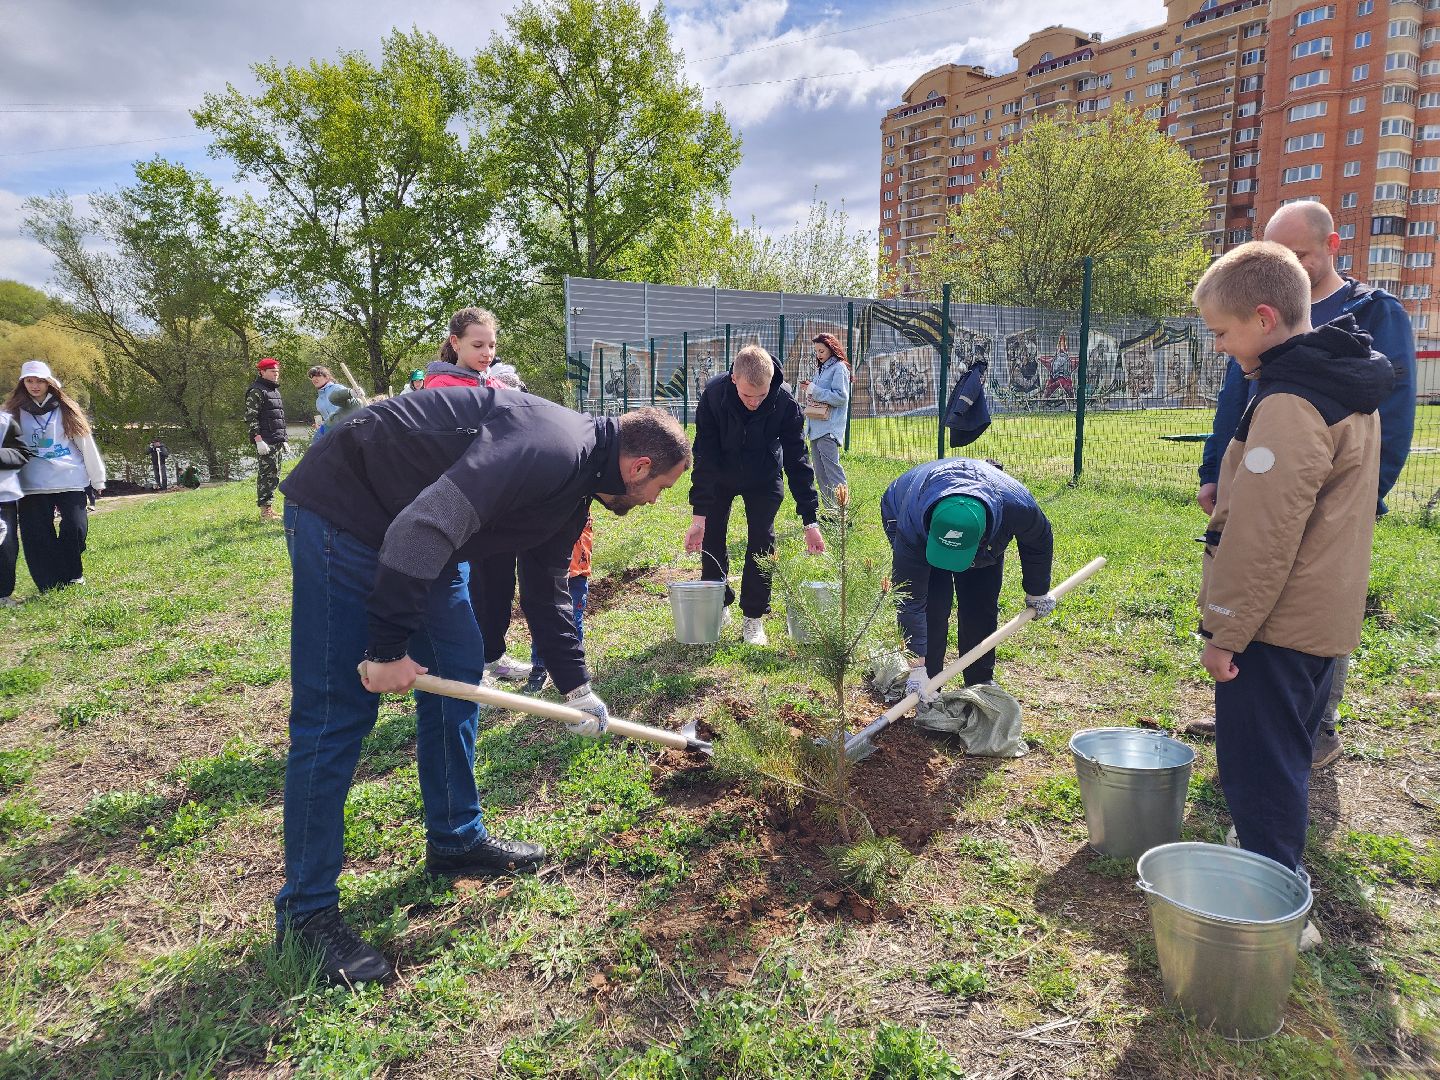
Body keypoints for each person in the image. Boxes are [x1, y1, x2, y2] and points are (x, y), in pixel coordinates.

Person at [275, 393, 690, 987]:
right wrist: (387, 648)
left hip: (419, 532)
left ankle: (455, 838)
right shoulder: (552, 450)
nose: (655, 502)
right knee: (335, 713)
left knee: (460, 668)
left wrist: (576, 688)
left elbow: (546, 590)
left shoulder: (576, 487)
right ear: (639, 467)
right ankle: (307, 912)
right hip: (350, 513)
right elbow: (422, 525)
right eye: (663, 489)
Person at [1192, 241, 1392, 896]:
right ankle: (1265, 855)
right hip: (1321, 612)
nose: (1219, 345)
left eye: (1222, 332)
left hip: (1276, 625)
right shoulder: (1339, 382)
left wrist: (1227, 631)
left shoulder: (1288, 404)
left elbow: (1265, 533)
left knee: (1260, 765)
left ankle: (1272, 899)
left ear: (1264, 318)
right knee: (1286, 756)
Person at [1192, 200, 1417, 768]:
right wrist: (1217, 469)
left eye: (1300, 253)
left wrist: (1362, 498)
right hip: (1264, 471)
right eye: (1277, 252)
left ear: (1332, 246)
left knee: (1308, 602)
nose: (1289, 262)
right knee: (1262, 586)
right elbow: (1235, 402)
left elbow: (1387, 415)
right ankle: (1252, 707)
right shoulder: (1247, 314)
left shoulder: (1372, 312)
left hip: (1327, 494)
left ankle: (1312, 725)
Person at [685, 344, 825, 647]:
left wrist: (810, 520)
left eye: (761, 396)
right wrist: (699, 515)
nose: (754, 402)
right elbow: (704, 454)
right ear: (734, 379)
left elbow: (798, 460)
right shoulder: (713, 396)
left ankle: (754, 617)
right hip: (721, 474)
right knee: (712, 536)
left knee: (762, 539)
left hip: (763, 476)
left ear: (771, 380)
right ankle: (718, 605)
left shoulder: (785, 402)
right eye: (748, 395)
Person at [881, 457, 1054, 694]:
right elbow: (911, 601)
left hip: (988, 523)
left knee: (979, 603)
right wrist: (917, 667)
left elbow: (1038, 542)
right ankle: (929, 685)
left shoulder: (1018, 506)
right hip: (906, 506)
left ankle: (979, 681)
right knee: (933, 604)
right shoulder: (911, 524)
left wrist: (1038, 590)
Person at [6, 361, 105, 592]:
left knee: (76, 528)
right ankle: (49, 583)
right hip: (31, 485)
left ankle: (72, 573)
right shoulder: (11, 412)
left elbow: (86, 444)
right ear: (23, 384)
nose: (35, 385)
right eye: (29, 381)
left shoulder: (66, 408)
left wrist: (97, 478)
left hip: (69, 479)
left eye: (40, 380)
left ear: (49, 382)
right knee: (37, 537)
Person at [525, 515, 592, 694]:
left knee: (574, 622)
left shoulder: (585, 502)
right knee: (544, 620)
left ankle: (575, 669)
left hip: (577, 573)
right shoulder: (555, 501)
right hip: (550, 573)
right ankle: (539, 667)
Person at [797, 333, 851, 513]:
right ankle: (831, 512)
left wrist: (814, 389)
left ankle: (844, 513)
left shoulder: (839, 368)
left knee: (833, 471)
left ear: (831, 349)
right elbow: (821, 393)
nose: (819, 354)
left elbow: (841, 397)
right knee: (820, 474)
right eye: (816, 351)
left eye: (822, 350)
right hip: (815, 428)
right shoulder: (822, 369)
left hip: (828, 429)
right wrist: (810, 390)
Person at [245, 358, 287, 522]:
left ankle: (269, 508)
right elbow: (251, 417)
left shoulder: (274, 391)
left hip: (276, 440)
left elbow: (278, 417)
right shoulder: (256, 391)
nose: (276, 375)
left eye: (277, 372)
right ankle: (265, 512)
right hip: (265, 441)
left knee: (274, 474)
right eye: (272, 372)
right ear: (262, 372)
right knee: (266, 476)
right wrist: (258, 439)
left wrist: (283, 439)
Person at [0, 407, 32, 607]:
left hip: (3, 496)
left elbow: (22, 453)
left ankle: (3, 594)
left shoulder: (5, 423)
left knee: (5, 546)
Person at [422, 307, 498, 388]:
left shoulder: (499, 387)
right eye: (477, 345)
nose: (488, 353)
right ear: (455, 342)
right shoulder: (440, 387)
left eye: (491, 346)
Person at [308, 366, 341, 438]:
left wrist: (356, 392)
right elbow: (328, 421)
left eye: (317, 375)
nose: (314, 379)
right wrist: (321, 427)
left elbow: (354, 400)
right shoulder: (318, 401)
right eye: (312, 376)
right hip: (333, 435)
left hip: (347, 429)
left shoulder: (337, 388)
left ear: (327, 377)